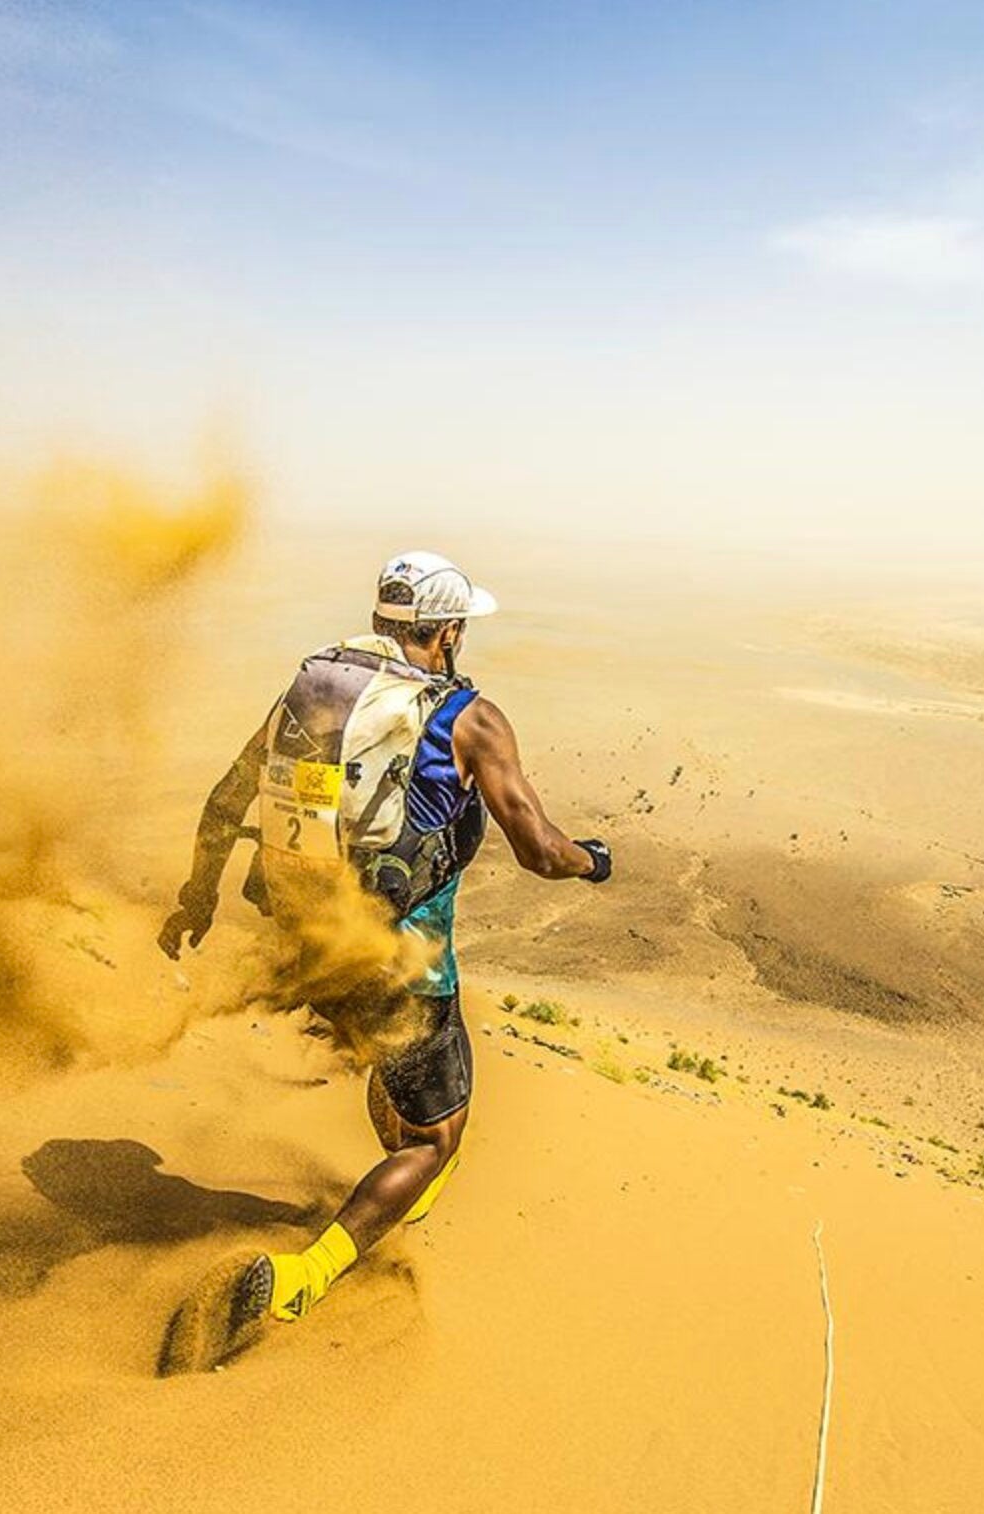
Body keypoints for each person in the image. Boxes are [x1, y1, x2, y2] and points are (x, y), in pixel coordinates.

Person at [156, 550, 610, 1356]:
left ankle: (402, 1175)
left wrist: (196, 897)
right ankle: (305, 1280)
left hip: (310, 943)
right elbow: (540, 849)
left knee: (395, 1071)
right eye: (458, 625)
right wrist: (593, 859)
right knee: (438, 1138)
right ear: (445, 631)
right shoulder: (468, 717)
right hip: (402, 962)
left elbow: (228, 798)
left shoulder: (313, 691)